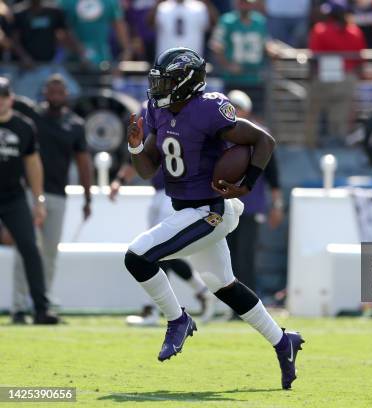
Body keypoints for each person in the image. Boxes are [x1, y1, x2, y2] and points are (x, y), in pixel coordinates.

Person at [123, 47, 304, 389]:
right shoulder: (158, 111)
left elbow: (263, 141)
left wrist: (247, 184)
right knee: (222, 284)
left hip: (211, 210)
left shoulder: (208, 108)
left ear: (186, 82)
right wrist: (134, 148)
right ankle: (284, 342)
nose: (159, 88)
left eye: (167, 81)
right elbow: (147, 169)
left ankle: (178, 320)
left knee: (137, 256)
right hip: (187, 209)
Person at [110, 102, 215, 326]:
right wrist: (119, 180)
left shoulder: (189, 111)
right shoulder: (152, 110)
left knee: (154, 252)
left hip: (176, 192)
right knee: (160, 253)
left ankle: (153, 311)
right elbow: (142, 154)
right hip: (159, 192)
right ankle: (201, 291)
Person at [11, 74, 93, 322]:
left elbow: (83, 163)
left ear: (66, 94)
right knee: (25, 249)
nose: (56, 95)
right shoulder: (32, 115)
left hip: (58, 194)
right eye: (52, 91)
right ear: (44, 93)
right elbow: (9, 97)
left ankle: (41, 305)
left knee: (49, 253)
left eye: (60, 91)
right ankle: (18, 307)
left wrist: (88, 197)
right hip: (29, 192)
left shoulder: (75, 125)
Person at [0, 76, 59, 325]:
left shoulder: (23, 126)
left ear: (10, 99)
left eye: (2, 97)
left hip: (13, 195)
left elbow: (33, 164)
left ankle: (41, 309)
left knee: (30, 249)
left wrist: (39, 200)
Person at [225, 89, 283, 295]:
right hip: (225, 207)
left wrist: (276, 205)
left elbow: (273, 175)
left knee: (246, 257)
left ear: (247, 111)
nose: (234, 111)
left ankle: (247, 304)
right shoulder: (219, 133)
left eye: (238, 107)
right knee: (227, 257)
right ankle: (231, 305)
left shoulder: (260, 136)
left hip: (251, 206)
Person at [305, 0, 366, 146]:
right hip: (346, 79)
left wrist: (310, 77)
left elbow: (313, 58)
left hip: (323, 79)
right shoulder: (355, 32)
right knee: (339, 120)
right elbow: (360, 62)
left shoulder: (320, 30)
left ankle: (310, 145)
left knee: (312, 114)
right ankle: (337, 148)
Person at [11, 0, 84, 100]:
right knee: (22, 100)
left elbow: (66, 34)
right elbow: (14, 40)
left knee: (74, 92)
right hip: (28, 69)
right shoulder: (19, 13)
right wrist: (24, 58)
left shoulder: (54, 11)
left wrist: (82, 54)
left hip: (51, 65)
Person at [210, 0, 271, 116]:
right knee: (230, 117)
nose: (244, 5)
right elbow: (216, 46)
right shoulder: (227, 21)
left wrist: (272, 50)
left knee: (257, 118)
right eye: (242, 2)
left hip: (255, 78)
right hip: (234, 79)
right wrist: (227, 65)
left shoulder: (260, 21)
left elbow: (266, 44)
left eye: (247, 2)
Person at [59, 0, 132, 65]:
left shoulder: (111, 2)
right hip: (72, 61)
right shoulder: (65, 2)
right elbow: (61, 32)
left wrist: (127, 51)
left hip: (102, 58)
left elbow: (119, 26)